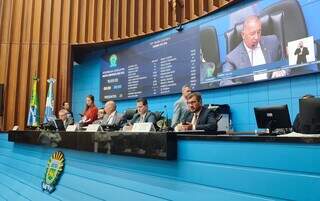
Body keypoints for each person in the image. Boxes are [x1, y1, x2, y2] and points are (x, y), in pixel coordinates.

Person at [221, 15, 285, 85]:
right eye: (252, 33)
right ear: (243, 35)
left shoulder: (273, 41)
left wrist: (282, 71)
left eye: (259, 32)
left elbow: (285, 62)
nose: (257, 37)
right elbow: (224, 81)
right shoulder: (232, 58)